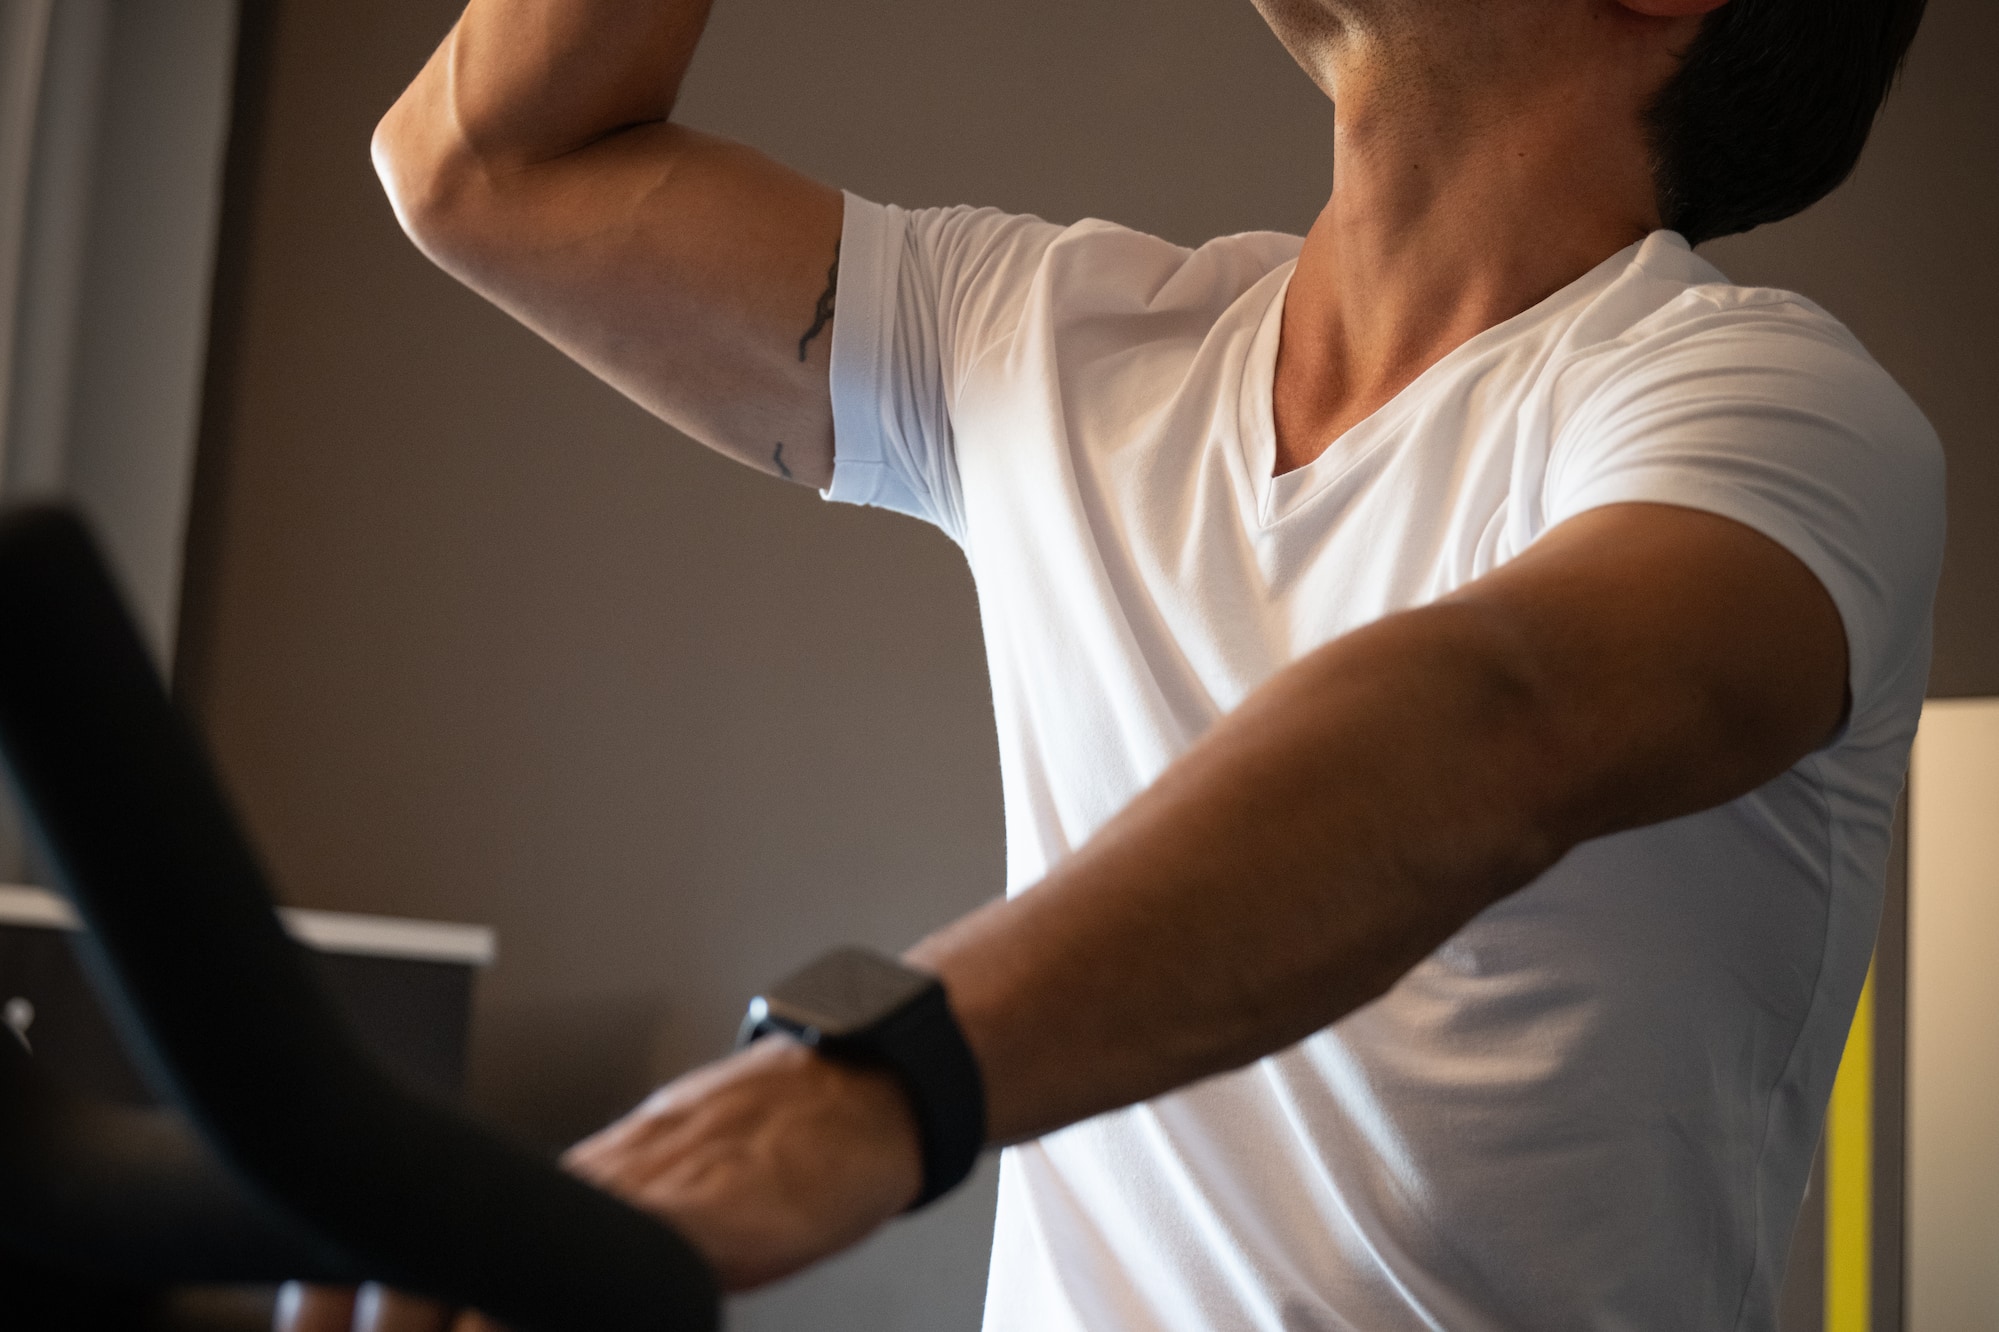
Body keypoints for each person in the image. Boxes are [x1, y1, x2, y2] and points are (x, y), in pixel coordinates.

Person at [291, 0, 1941, 1327]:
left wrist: (872, 1087)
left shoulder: (1765, 412)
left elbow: (1499, 715)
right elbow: (478, 164)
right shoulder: (1059, 347)